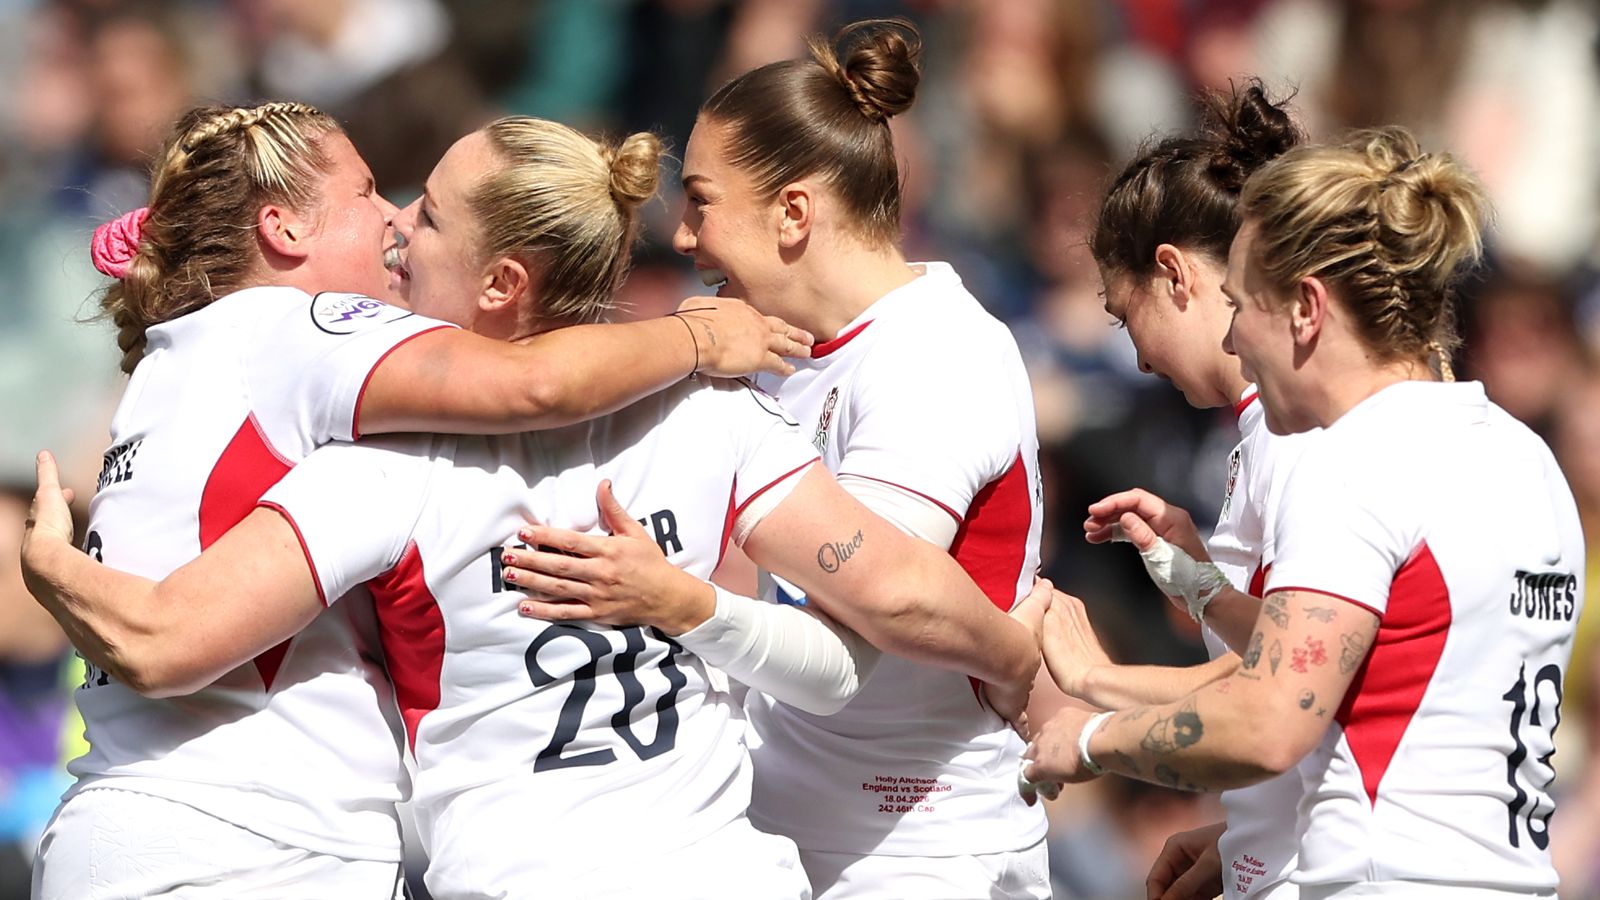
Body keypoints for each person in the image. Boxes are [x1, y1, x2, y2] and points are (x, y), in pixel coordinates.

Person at [22, 115, 1046, 898]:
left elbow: (166, 640)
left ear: (504, 279)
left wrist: (59, 576)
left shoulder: (382, 465)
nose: (396, 228)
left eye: (421, 211)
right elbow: (889, 609)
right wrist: (1011, 657)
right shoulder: (712, 418)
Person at [1025, 127, 1584, 899]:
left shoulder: (1355, 462)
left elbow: (1268, 721)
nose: (1231, 339)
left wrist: (1090, 737)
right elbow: (1410, 700)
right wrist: (1248, 839)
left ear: (1306, 309)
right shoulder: (1526, 458)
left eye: (1239, 305)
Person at [656, 18, 1050, 898]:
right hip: (779, 842)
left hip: (921, 856)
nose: (681, 236)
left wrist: (675, 604)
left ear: (794, 212)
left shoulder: (935, 351)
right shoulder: (783, 349)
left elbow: (861, 632)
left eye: (701, 200)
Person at [1047, 81, 1310, 900]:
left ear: (1173, 273)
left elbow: (1284, 696)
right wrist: (1246, 840)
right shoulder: (1260, 438)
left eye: (1128, 320)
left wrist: (1096, 711)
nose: (1137, 360)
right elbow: (1293, 665)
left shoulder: (1298, 436)